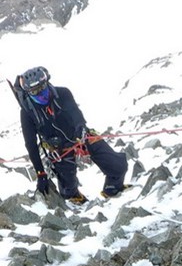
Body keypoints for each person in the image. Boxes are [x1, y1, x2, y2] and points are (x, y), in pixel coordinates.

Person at [15, 66, 128, 203]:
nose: (40, 93)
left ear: (47, 82)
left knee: (117, 165)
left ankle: (112, 189)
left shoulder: (63, 93)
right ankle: (74, 197)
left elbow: (76, 114)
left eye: (42, 87)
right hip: (58, 149)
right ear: (28, 92)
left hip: (81, 136)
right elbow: (31, 144)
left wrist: (81, 129)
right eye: (34, 91)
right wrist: (41, 173)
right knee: (67, 188)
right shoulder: (27, 112)